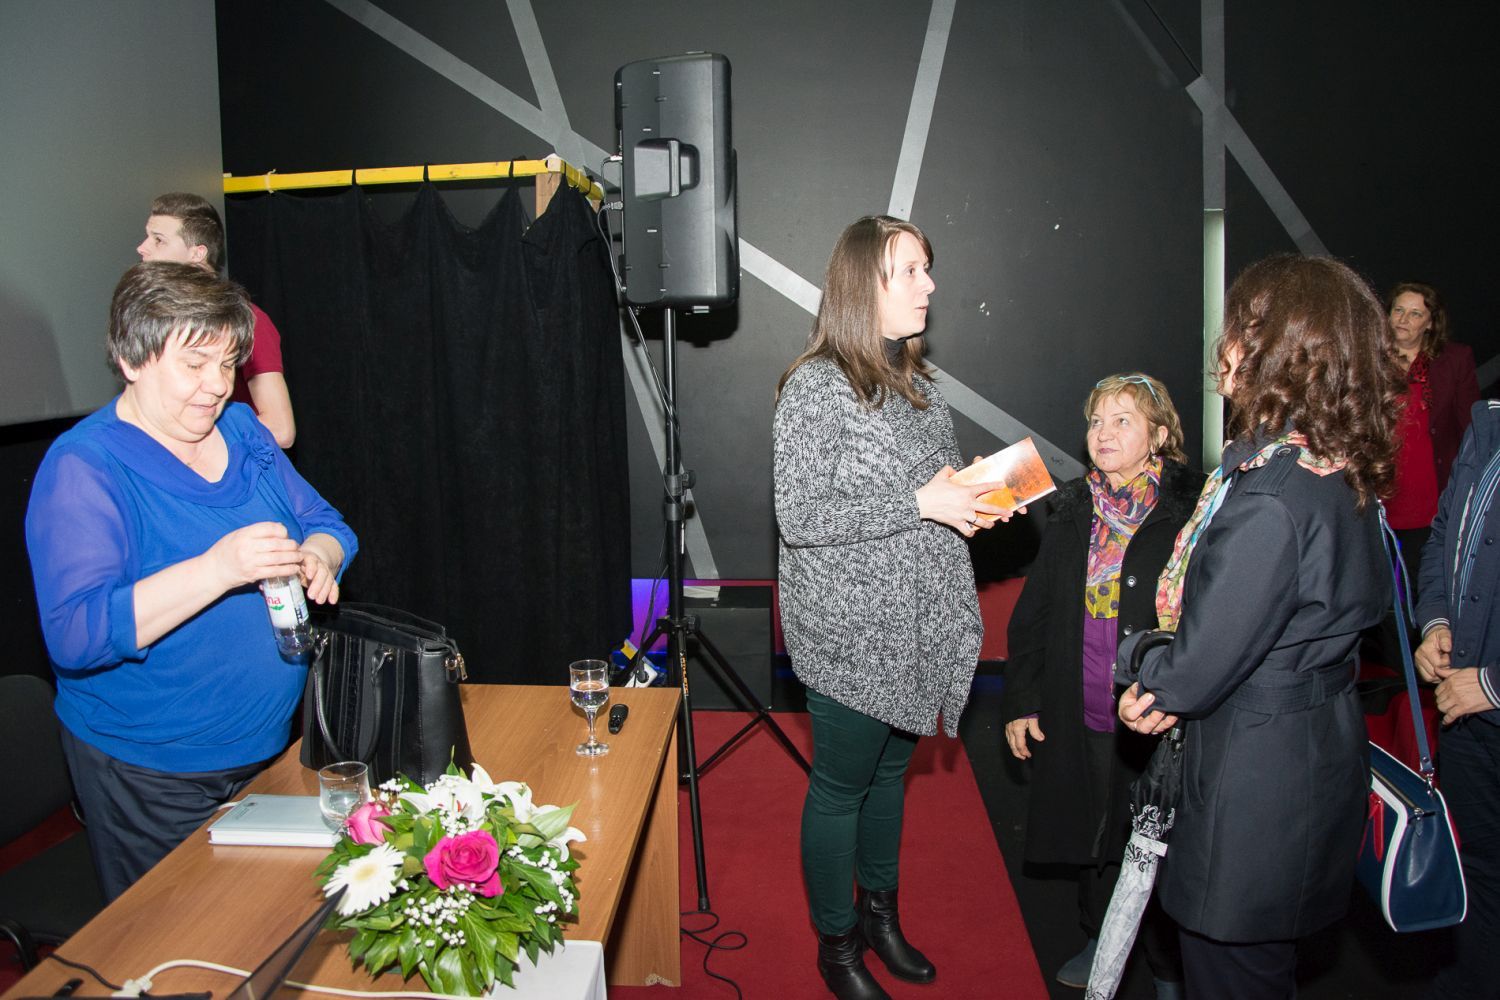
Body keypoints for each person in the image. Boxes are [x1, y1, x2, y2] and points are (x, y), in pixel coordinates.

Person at [25, 261, 357, 901]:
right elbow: (76, 635)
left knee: (267, 922)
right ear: (132, 359)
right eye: (195, 364)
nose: (218, 385)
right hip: (151, 773)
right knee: (178, 941)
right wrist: (216, 570)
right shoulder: (84, 467)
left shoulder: (240, 428)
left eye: (228, 364)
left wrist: (319, 555)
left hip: (266, 748)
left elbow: (327, 523)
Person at [1115, 254, 1400, 999]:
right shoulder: (1334, 466)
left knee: (1233, 975)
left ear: (1284, 350)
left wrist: (1142, 664)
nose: (1225, 348)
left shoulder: (1270, 496)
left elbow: (1197, 667)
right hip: (1308, 754)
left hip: (1253, 783)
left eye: (1241, 329)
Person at [773, 215, 1012, 1000]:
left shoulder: (918, 384)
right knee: (841, 787)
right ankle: (837, 946)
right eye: (910, 270)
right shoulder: (815, 385)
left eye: (926, 268)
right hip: (849, 635)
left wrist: (974, 494)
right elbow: (800, 515)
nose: (929, 284)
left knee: (887, 779)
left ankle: (880, 918)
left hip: (916, 627)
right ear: (863, 284)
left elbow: (932, 493)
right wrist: (919, 502)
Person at [1003, 372, 1198, 997]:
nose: (1103, 433)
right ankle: (1098, 934)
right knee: (1093, 831)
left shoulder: (1192, 509)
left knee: (1159, 836)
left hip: (1159, 709)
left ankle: (1168, 964)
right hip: (1081, 701)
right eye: (1096, 421)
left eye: (1122, 420)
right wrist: (1022, 700)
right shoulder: (1070, 507)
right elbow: (1034, 612)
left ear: (1158, 436)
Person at [1413, 399, 1500, 1000]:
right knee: (1481, 876)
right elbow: (1446, 533)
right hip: (1465, 714)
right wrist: (1436, 623)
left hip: (1480, 694)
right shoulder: (1486, 425)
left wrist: (1491, 684)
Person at [137, 192, 297, 447]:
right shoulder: (157, 320)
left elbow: (280, 429)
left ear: (197, 253)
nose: (142, 248)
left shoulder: (248, 320)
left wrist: (187, 435)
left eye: (159, 240)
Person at [1384, 280, 1478, 590]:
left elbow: (1470, 426)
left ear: (1431, 323)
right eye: (1398, 310)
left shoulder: (1454, 360)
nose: (1403, 319)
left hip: (1430, 493)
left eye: (1414, 314)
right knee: (1377, 587)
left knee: (1424, 584)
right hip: (1379, 490)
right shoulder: (1369, 358)